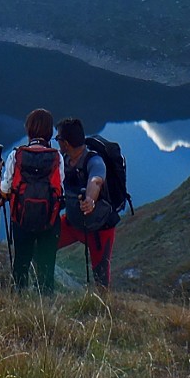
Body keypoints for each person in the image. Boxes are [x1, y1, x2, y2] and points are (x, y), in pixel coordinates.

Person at [0, 107, 63, 293]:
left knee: (21, 261)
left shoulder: (16, 156)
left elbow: (6, 189)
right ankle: (46, 301)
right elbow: (59, 189)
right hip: (50, 221)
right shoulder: (57, 157)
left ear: (29, 129)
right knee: (47, 264)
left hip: (21, 219)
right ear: (49, 132)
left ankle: (19, 297)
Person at [56, 116, 118, 287]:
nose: (57, 143)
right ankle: (45, 287)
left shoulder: (94, 160)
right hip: (72, 222)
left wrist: (90, 199)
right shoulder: (63, 161)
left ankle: (103, 309)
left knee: (101, 276)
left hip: (99, 230)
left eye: (58, 139)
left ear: (65, 143)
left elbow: (96, 180)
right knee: (44, 247)